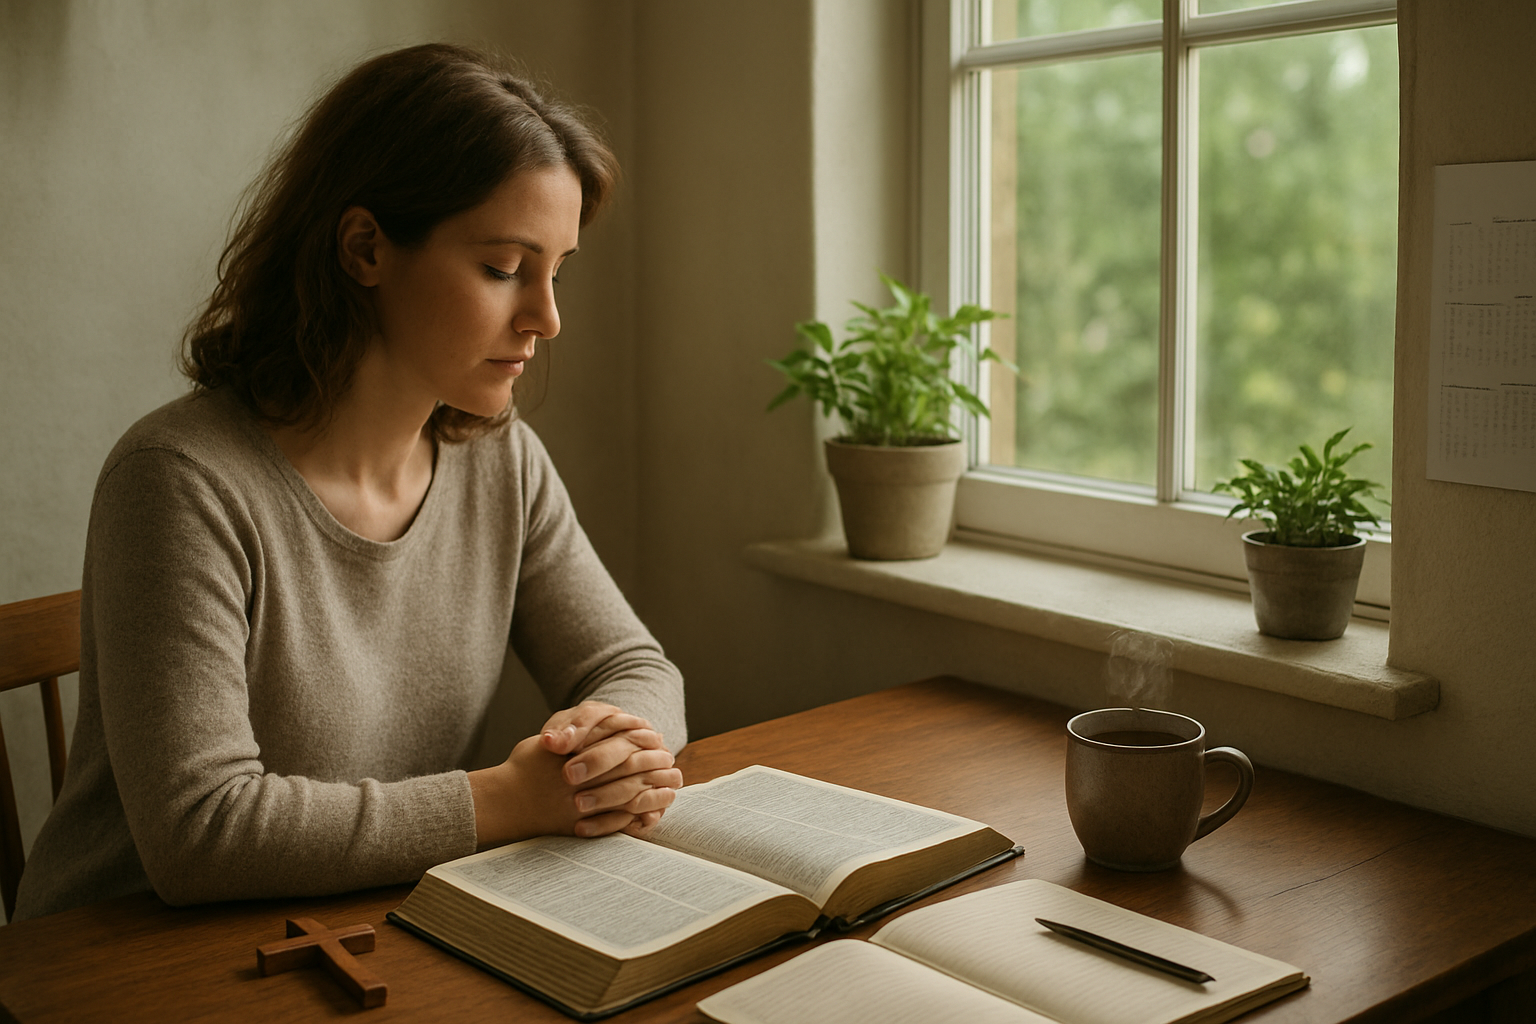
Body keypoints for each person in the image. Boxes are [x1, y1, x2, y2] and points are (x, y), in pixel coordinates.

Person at [13, 43, 685, 921]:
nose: (545, 318)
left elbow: (632, 665)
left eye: (557, 272)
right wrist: (507, 802)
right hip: (126, 961)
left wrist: (607, 755)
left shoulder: (501, 459)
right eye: (503, 268)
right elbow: (200, 832)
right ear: (365, 247)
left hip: (359, 922)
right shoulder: (177, 481)